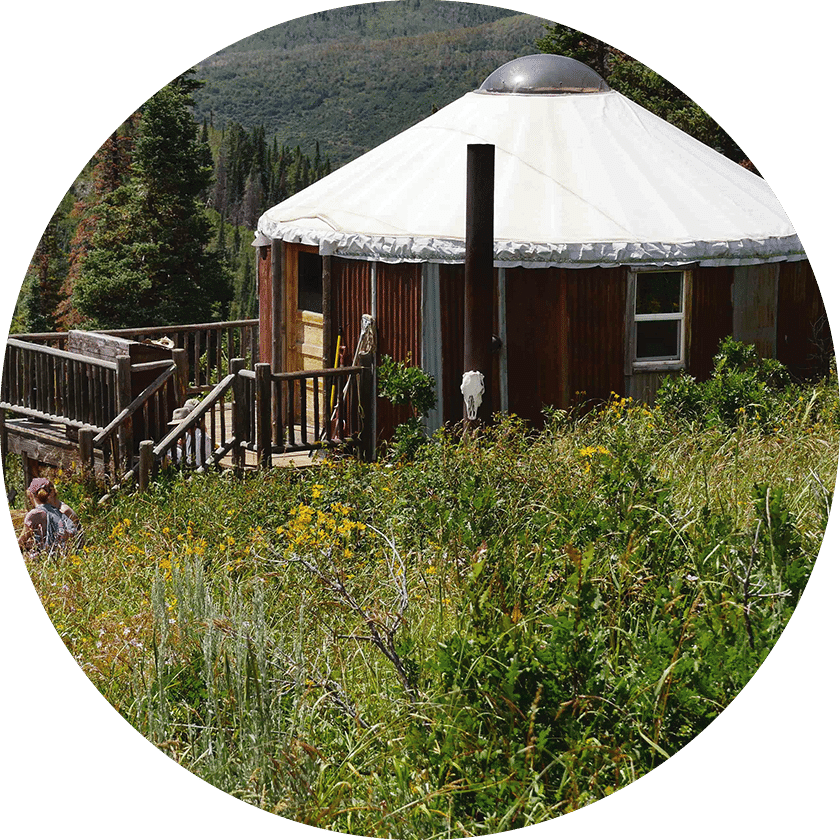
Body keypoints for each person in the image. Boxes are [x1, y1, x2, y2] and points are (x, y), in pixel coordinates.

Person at [17, 477, 81, 559]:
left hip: (45, 558)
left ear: (31, 495)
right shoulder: (59, 511)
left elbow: (21, 541)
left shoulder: (34, 514)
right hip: (64, 557)